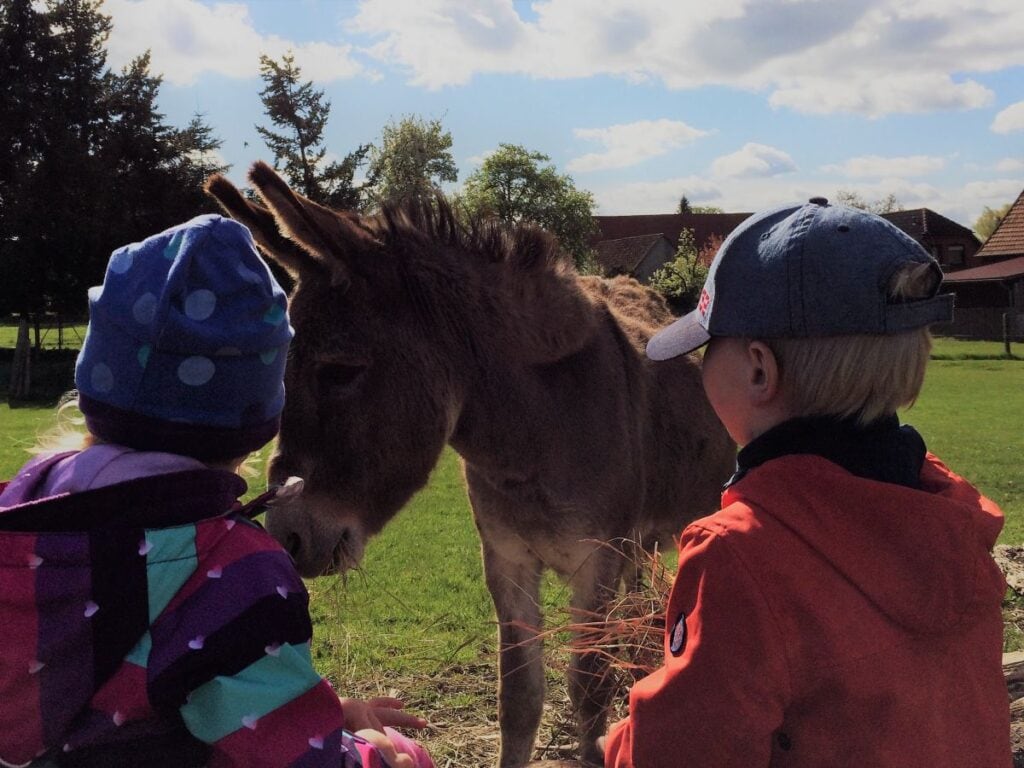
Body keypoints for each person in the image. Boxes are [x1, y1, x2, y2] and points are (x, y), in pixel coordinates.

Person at [0, 215, 433, 768]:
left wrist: (323, 710)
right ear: (258, 416)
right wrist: (384, 752)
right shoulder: (232, 572)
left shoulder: (22, 505)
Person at [602, 198, 1011, 767]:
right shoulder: (949, 519)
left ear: (758, 370)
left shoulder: (740, 557)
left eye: (705, 348)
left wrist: (619, 743)